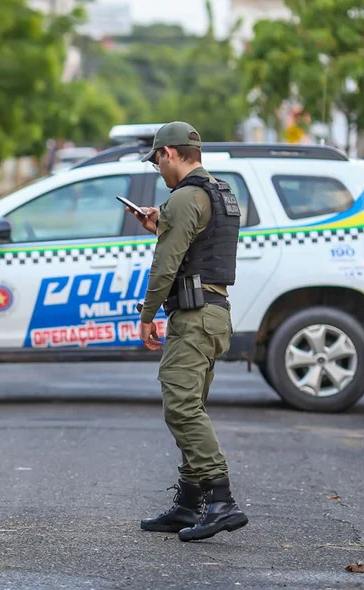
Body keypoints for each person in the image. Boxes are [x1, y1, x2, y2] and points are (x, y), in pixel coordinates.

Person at [130, 121, 247, 542]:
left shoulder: (183, 199)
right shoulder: (222, 192)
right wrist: (159, 224)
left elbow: (166, 265)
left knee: (181, 407)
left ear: (169, 154)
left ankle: (221, 501)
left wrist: (147, 315)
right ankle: (188, 502)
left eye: (157, 160)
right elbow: (200, 244)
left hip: (194, 318)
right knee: (190, 404)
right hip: (215, 315)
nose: (158, 169)